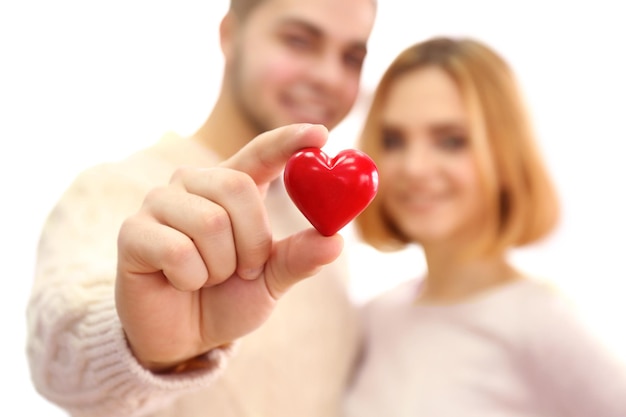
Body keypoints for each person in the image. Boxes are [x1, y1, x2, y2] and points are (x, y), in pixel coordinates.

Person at [26, 0, 377, 416]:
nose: (327, 76)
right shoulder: (114, 189)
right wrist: (146, 348)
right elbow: (59, 348)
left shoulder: (321, 222)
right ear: (230, 34)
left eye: (352, 58)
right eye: (299, 41)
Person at [343, 37, 626, 416]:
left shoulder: (540, 323)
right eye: (394, 140)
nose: (414, 167)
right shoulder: (377, 318)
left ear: (505, 152)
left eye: (451, 141)